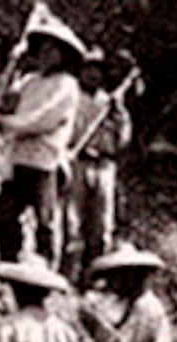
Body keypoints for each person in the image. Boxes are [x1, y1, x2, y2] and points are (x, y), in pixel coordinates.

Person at [0, 17, 83, 264]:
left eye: (52, 50)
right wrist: (10, 67)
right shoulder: (29, 81)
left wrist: (9, 123)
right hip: (19, 157)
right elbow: (4, 102)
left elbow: (45, 118)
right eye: (43, 48)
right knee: (2, 215)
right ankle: (11, 261)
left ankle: (46, 273)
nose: (45, 54)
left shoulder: (67, 85)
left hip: (45, 162)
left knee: (46, 222)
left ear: (62, 55)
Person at [62, 47, 133, 281]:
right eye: (89, 69)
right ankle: (68, 273)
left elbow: (122, 140)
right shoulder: (70, 96)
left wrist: (118, 111)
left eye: (98, 71)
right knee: (71, 220)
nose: (93, 75)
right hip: (77, 162)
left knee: (102, 224)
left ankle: (95, 276)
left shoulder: (110, 103)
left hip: (104, 166)